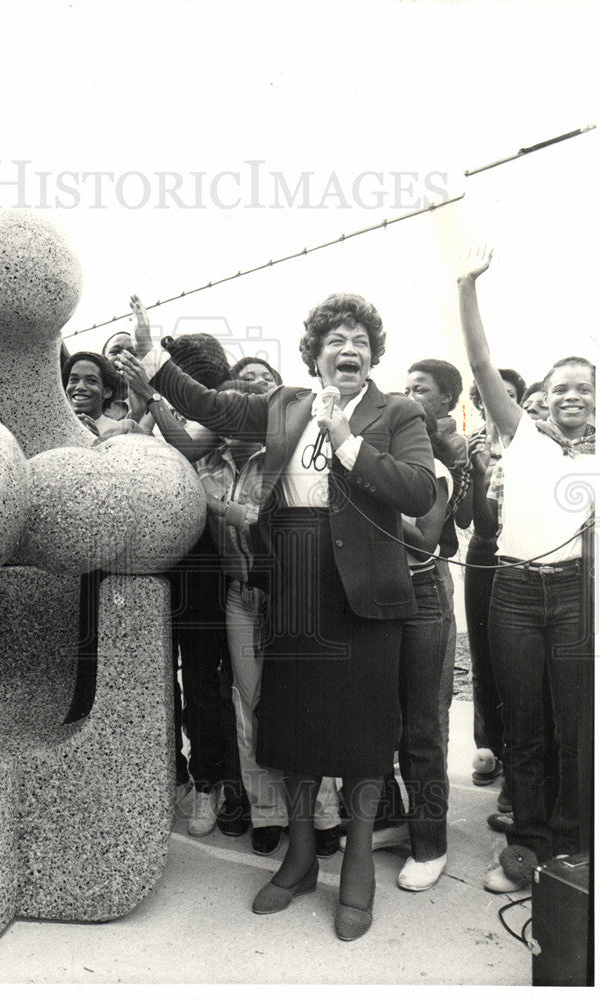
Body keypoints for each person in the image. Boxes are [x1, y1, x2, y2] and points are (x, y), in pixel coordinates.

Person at [118, 292, 436, 940]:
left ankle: (354, 866)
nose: (348, 349)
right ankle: (296, 854)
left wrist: (346, 441)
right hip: (292, 588)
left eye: (359, 340)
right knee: (292, 732)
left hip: (366, 596)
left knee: (365, 736)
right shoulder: (282, 404)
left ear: (373, 353)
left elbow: (419, 490)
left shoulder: (396, 411)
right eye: (334, 340)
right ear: (314, 353)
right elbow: (208, 408)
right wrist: (154, 355)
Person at [458, 246, 594, 893]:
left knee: (574, 730)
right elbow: (482, 365)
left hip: (574, 596)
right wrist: (466, 286)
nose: (571, 396)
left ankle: (572, 846)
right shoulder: (520, 437)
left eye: (582, 389)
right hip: (512, 592)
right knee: (524, 731)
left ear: (592, 402)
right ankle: (526, 845)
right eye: (561, 387)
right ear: (543, 398)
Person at [195, 360, 342, 858]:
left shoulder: (284, 459)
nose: (234, 426)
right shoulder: (206, 467)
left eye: (244, 416)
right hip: (240, 596)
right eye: (225, 417)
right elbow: (194, 501)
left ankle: (323, 815)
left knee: (303, 702)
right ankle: (267, 813)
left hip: (288, 595)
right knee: (248, 702)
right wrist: (222, 508)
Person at [123, 332, 249, 838]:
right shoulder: (150, 412)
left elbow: (190, 450)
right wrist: (144, 405)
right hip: (151, 564)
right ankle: (169, 771)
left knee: (201, 677)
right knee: (157, 676)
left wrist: (154, 397)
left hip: (201, 565)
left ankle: (207, 781)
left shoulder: (214, 419)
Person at [392, 408, 452, 891]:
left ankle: (430, 843)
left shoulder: (434, 474)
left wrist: (368, 500)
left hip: (420, 594)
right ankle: (394, 819)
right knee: (377, 721)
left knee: (421, 729)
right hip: (374, 595)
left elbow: (426, 540)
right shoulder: (378, 466)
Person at [405, 359, 471, 771]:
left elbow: (452, 524)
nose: (410, 398)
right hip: (396, 574)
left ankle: (428, 807)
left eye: (420, 390)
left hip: (428, 575)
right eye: (406, 390)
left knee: (430, 706)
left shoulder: (449, 452)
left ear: (447, 398)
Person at [464, 370, 527, 793]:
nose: (496, 401)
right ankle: (490, 750)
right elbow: (471, 522)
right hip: (484, 555)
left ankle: (522, 760)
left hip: (525, 555)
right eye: (489, 396)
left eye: (507, 396)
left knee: (518, 663)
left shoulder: (533, 442)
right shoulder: (471, 446)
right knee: (484, 658)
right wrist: (477, 470)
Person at [62, 351, 145, 437]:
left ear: (107, 391)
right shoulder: (53, 428)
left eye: (91, 381)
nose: (80, 387)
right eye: (74, 380)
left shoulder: (125, 430)